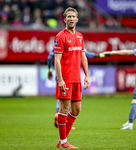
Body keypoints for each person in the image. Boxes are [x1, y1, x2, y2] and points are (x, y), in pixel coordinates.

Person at [54, 7, 89, 149]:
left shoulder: (80, 36)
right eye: (68, 16)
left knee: (76, 110)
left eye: (73, 16)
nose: (71, 18)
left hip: (77, 79)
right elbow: (57, 60)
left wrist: (86, 75)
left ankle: (63, 140)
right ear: (64, 19)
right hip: (66, 79)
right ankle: (63, 142)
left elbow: (83, 56)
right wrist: (60, 79)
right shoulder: (60, 36)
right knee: (64, 109)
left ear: (77, 19)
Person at [47, 46, 105, 127]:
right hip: (71, 75)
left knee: (63, 97)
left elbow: (50, 57)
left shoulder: (59, 42)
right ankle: (63, 122)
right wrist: (102, 55)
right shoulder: (76, 41)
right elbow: (88, 55)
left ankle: (58, 117)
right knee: (69, 99)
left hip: (60, 74)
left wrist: (49, 70)